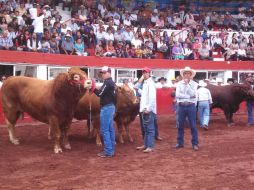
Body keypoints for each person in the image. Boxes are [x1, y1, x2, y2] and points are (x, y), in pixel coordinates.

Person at [93, 66, 117, 158]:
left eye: (104, 73)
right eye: (102, 73)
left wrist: (92, 88)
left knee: (105, 130)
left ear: (109, 73)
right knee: (110, 129)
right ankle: (111, 150)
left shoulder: (107, 83)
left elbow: (99, 94)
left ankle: (108, 151)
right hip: (111, 107)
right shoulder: (112, 83)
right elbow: (115, 98)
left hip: (106, 108)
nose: (102, 74)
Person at [175, 66, 199, 151]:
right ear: (183, 75)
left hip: (190, 105)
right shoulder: (178, 84)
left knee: (193, 125)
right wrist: (188, 96)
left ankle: (195, 143)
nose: (186, 75)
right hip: (181, 106)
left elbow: (194, 94)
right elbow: (177, 95)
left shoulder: (194, 84)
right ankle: (180, 143)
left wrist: (187, 85)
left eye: (188, 73)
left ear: (191, 75)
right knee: (180, 125)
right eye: (185, 73)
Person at [136, 67, 157, 153]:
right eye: (143, 73)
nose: (144, 74)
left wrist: (148, 108)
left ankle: (150, 146)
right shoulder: (146, 83)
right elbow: (144, 94)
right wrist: (139, 90)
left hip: (148, 109)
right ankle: (146, 144)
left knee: (150, 129)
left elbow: (152, 97)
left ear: (149, 73)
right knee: (146, 128)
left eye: (146, 73)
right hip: (144, 108)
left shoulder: (150, 83)